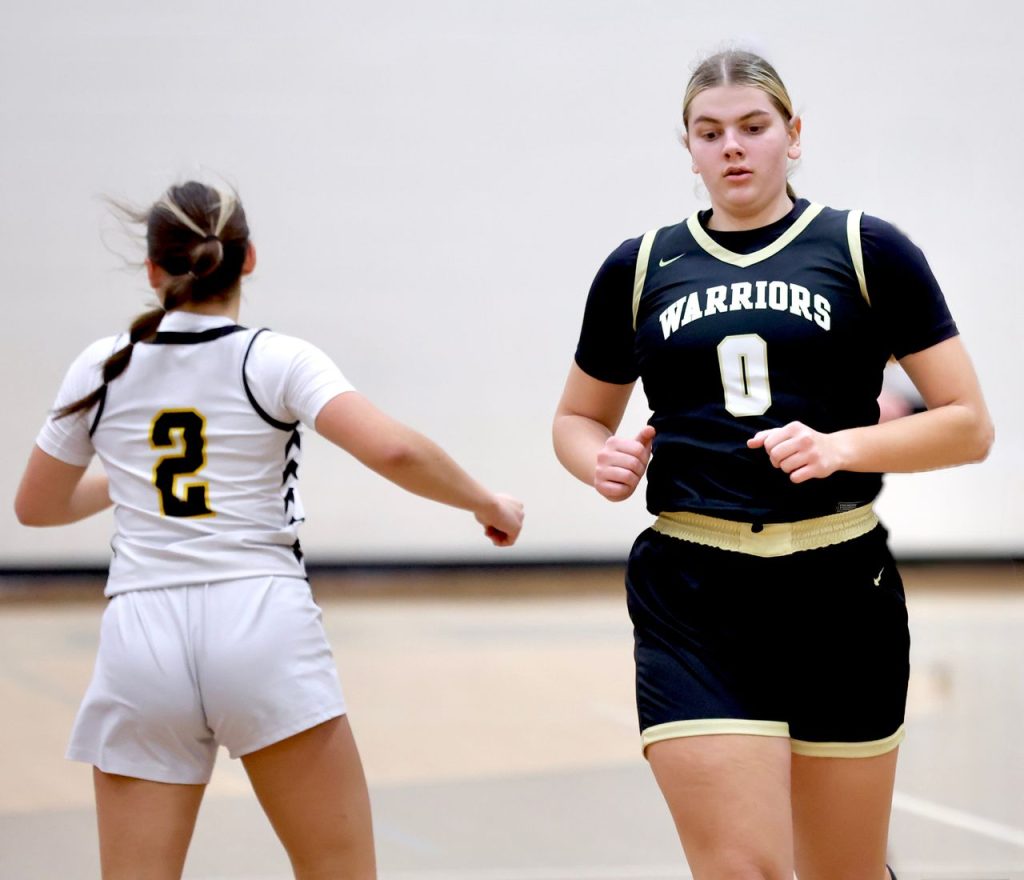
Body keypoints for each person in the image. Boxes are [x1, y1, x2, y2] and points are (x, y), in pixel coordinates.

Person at [552, 50, 992, 880]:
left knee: (841, 870)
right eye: (709, 132)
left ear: (793, 135)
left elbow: (969, 426)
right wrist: (597, 460)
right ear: (687, 148)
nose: (732, 148)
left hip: (840, 583)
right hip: (693, 587)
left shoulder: (865, 248)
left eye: (753, 128)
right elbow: (578, 417)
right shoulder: (640, 266)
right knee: (740, 869)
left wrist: (842, 447)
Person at [14, 181, 524, 880]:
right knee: (336, 869)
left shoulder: (103, 365)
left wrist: (135, 478)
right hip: (259, 620)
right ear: (247, 258)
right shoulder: (276, 358)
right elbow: (394, 450)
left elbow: (36, 507)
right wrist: (486, 502)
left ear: (153, 269)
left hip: (140, 636)